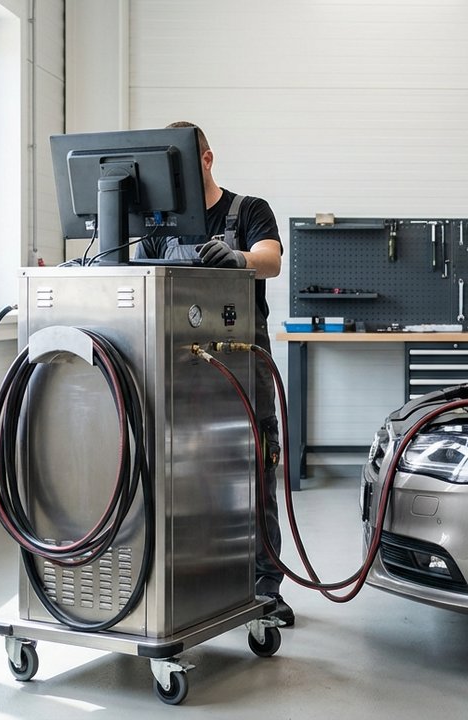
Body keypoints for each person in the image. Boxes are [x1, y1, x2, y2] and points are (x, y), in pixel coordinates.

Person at [138, 121, 294, 627]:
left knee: (253, 464)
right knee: (187, 468)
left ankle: (265, 584)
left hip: (242, 359)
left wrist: (240, 258)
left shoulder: (248, 210)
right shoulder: (159, 227)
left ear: (206, 160)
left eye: (184, 165)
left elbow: (270, 260)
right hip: (177, 365)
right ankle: (196, 577)